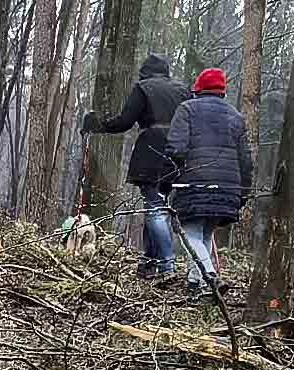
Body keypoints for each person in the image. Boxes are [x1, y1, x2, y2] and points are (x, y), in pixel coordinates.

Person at [81, 54, 190, 282]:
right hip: (180, 151)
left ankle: (166, 264)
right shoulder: (182, 90)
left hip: (152, 150)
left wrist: (99, 124)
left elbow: (125, 121)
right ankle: (148, 263)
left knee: (154, 207)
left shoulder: (143, 88)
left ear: (145, 72)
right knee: (159, 205)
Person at [162, 68, 250, 291]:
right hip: (229, 187)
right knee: (204, 235)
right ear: (222, 91)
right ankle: (195, 284)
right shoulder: (236, 117)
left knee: (191, 235)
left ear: (198, 88)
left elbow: (176, 149)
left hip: (195, 183)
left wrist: (167, 180)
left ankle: (210, 276)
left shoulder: (187, 110)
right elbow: (246, 160)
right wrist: (243, 191)